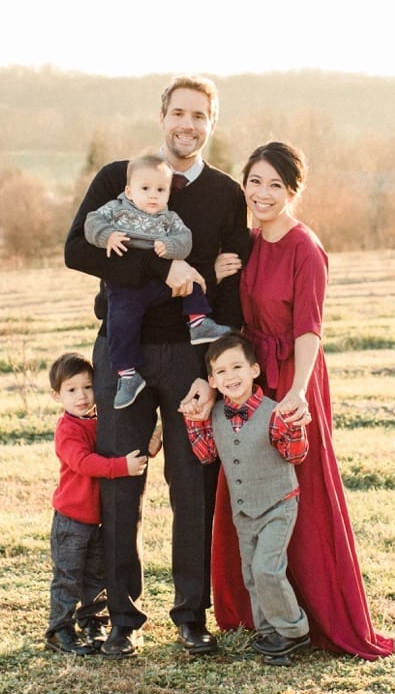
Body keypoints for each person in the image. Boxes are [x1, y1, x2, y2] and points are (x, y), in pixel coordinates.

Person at [63, 75, 255, 658]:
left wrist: (211, 370)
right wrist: (160, 270)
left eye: (199, 115)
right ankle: (122, 616)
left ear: (211, 123)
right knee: (122, 484)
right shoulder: (120, 178)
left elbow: (228, 291)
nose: (187, 125)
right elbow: (78, 250)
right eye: (179, 112)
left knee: (192, 488)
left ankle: (191, 615)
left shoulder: (224, 194)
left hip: (190, 359)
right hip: (123, 353)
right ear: (162, 115)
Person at [198, 141, 394, 660]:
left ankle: (314, 617)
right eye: (255, 182)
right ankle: (260, 612)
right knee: (248, 480)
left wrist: (297, 392)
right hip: (249, 375)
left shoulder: (307, 248)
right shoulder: (250, 240)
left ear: (293, 191)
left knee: (299, 492)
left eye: (275, 186)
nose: (262, 194)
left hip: (291, 378)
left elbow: (310, 330)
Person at [185, 333, 309, 665]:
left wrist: (294, 428)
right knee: (252, 574)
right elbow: (207, 454)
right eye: (221, 372)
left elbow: (295, 456)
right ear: (211, 380)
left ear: (254, 369)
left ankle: (294, 632)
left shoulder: (274, 412)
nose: (231, 376)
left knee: (268, 568)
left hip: (278, 504)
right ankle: (270, 632)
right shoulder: (215, 414)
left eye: (237, 366)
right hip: (243, 510)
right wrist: (193, 422)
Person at [84, 152, 233, 409]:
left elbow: (185, 240)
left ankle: (198, 322)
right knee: (120, 321)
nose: (153, 195)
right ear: (129, 192)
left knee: (192, 279)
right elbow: (91, 222)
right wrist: (107, 236)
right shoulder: (117, 209)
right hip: (127, 286)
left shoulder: (168, 218)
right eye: (145, 189)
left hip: (158, 286)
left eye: (161, 190)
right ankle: (128, 375)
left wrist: (171, 248)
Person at [44, 351, 151, 656]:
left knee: (96, 575)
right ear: (57, 396)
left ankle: (93, 622)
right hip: (72, 518)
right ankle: (59, 629)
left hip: (97, 518)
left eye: (88, 387)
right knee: (68, 576)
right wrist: (121, 467)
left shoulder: (99, 421)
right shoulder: (67, 430)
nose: (81, 396)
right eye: (72, 389)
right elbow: (84, 462)